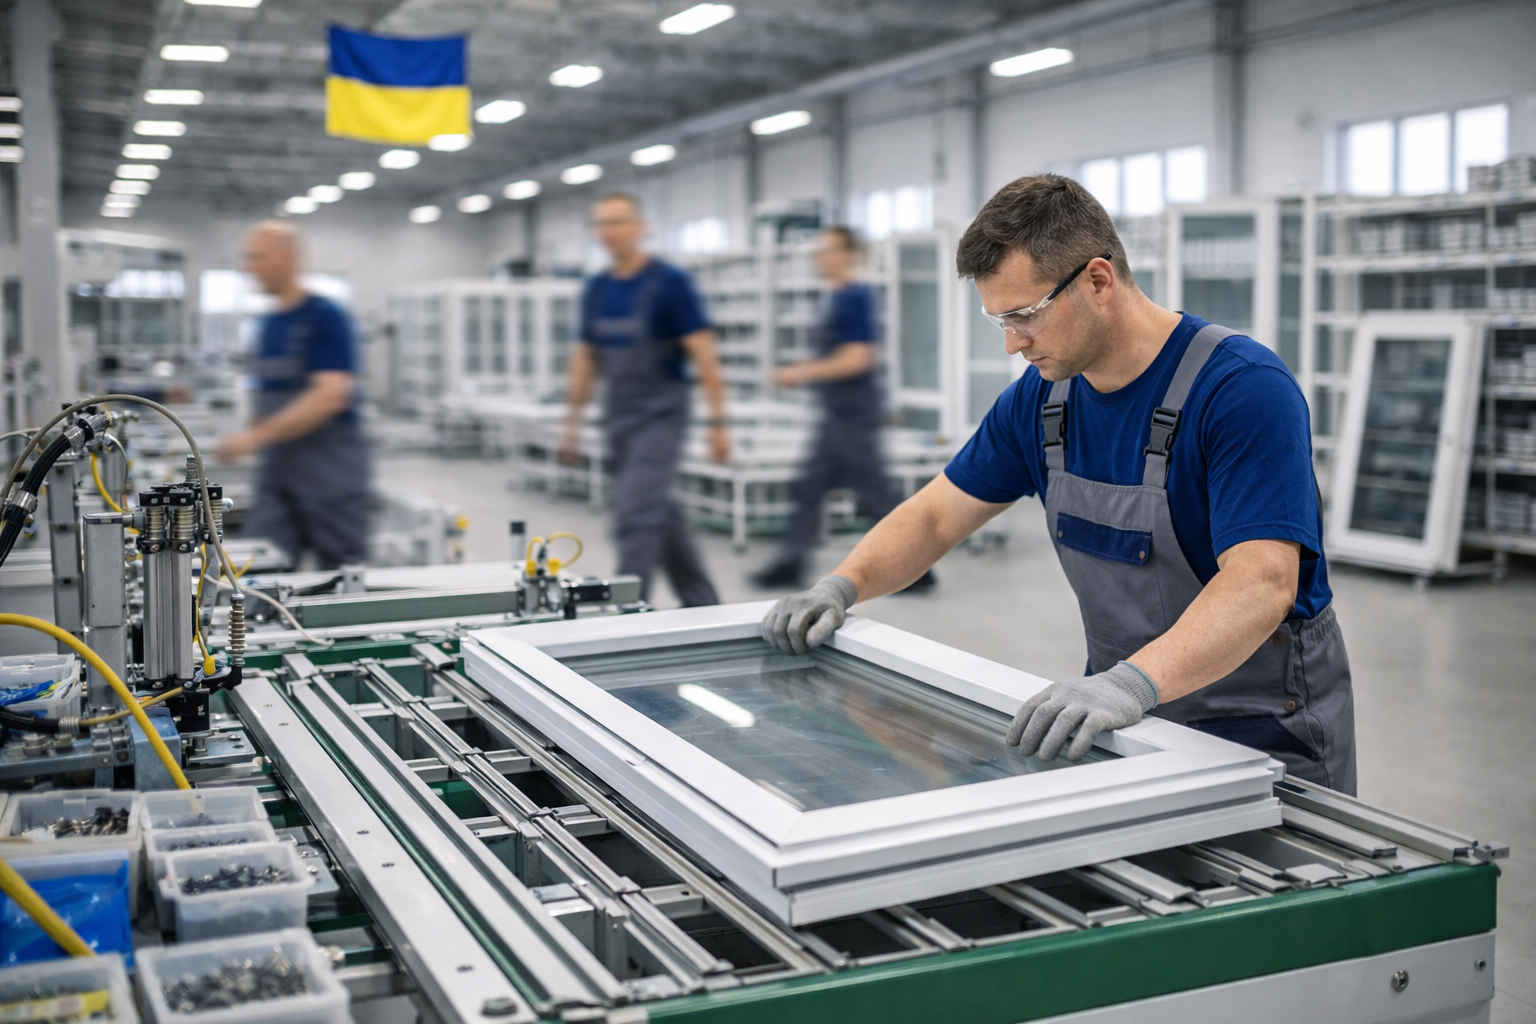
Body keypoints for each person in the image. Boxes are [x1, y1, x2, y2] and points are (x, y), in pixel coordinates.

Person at [760, 174, 1355, 794]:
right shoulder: (1042, 404)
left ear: (1098, 281)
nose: (1014, 344)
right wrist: (841, 585)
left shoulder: (1241, 389)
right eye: (1000, 322)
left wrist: (1129, 684)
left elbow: (1261, 582)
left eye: (1024, 316)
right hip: (1127, 724)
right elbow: (935, 516)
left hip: (1263, 737)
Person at [559, 193, 728, 607]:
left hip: (661, 416)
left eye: (617, 222)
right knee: (656, 512)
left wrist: (719, 423)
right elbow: (585, 358)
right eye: (601, 224)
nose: (609, 232)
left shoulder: (670, 284)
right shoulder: (597, 290)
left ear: (640, 227)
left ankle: (626, 615)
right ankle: (703, 603)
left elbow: (703, 353)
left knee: (635, 517)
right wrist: (572, 423)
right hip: (619, 417)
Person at [751, 227, 931, 592]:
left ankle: (916, 568)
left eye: (829, 250)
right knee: (809, 486)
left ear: (848, 255)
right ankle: (791, 561)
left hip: (853, 415)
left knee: (875, 495)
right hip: (836, 413)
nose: (821, 257)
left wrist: (801, 371)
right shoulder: (834, 298)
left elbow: (858, 358)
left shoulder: (854, 297)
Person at [217, 220, 369, 570]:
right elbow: (268, 398)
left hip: (331, 483)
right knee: (257, 583)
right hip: (278, 481)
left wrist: (255, 437)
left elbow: (330, 395)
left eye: (257, 258)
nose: (248, 268)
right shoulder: (268, 325)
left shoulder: (325, 317)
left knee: (341, 589)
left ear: (287, 260)